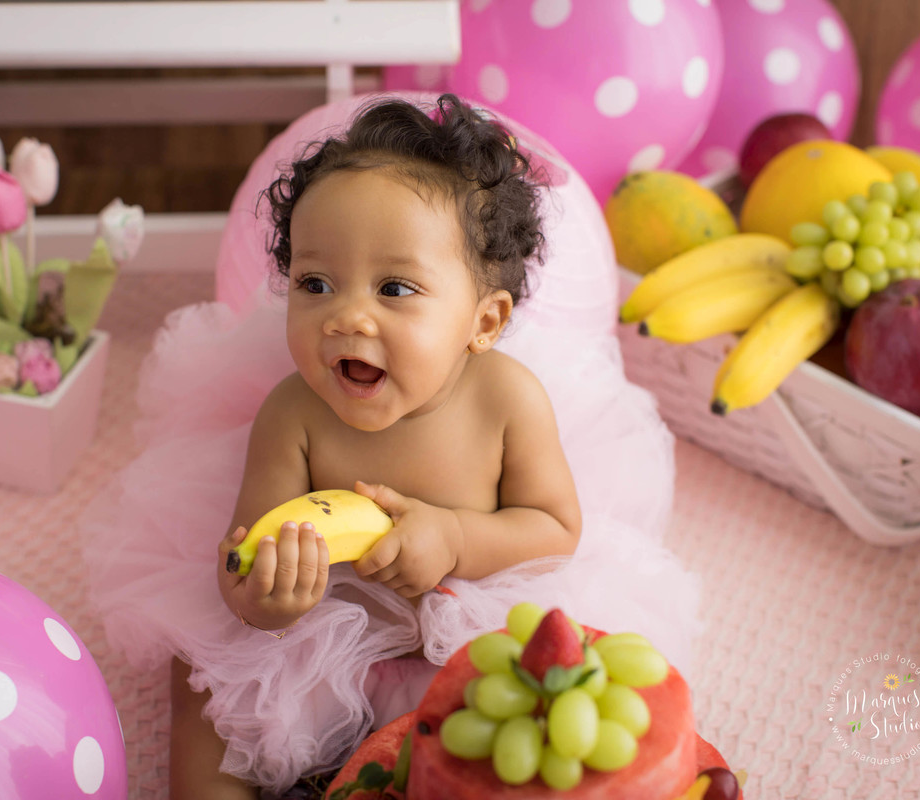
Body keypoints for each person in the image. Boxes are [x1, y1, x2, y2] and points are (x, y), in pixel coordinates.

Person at [81, 93, 699, 800]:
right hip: (323, 638)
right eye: (315, 283)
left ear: (484, 322)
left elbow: (555, 528)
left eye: (395, 288)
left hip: (465, 624)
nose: (346, 316)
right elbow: (247, 551)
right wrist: (266, 599)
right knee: (204, 682)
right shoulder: (293, 414)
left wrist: (455, 538)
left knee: (538, 711)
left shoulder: (506, 401)